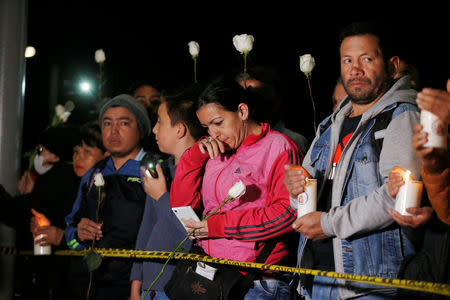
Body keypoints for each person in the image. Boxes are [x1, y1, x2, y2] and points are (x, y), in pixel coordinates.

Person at [284, 21, 421, 299]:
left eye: (366, 59)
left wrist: (328, 224)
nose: (355, 69)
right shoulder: (328, 126)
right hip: (318, 279)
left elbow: (396, 199)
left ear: (393, 66)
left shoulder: (400, 117)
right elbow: (306, 197)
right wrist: (296, 188)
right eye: (347, 60)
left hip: (368, 284)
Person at [169, 77, 302, 299]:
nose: (213, 133)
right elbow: (181, 206)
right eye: (206, 127)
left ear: (242, 111)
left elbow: (287, 214)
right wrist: (193, 158)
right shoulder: (215, 150)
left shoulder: (279, 147)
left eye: (218, 123)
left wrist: (219, 225)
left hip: (255, 282)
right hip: (212, 275)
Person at [64, 94, 151, 300]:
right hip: (90, 285)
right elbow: (70, 232)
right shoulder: (93, 174)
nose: (114, 131)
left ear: (140, 129)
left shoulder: (154, 170)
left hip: (136, 287)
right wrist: (79, 234)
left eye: (123, 123)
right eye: (107, 123)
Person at [130, 86, 205, 300]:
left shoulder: (204, 173)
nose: (154, 129)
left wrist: (162, 197)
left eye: (160, 122)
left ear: (179, 129)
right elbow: (146, 228)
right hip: (149, 285)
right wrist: (136, 280)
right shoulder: (162, 169)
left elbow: (190, 233)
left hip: (178, 285)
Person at [0, 125, 81, 300]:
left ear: (56, 155)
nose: (38, 154)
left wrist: (27, 198)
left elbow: (17, 212)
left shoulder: (59, 179)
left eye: (42, 149)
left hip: (54, 276)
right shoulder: (62, 179)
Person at [235, 66, 309, 155]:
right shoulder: (231, 140)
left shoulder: (291, 141)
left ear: (276, 100)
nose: (248, 103)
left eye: (257, 96)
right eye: (243, 96)